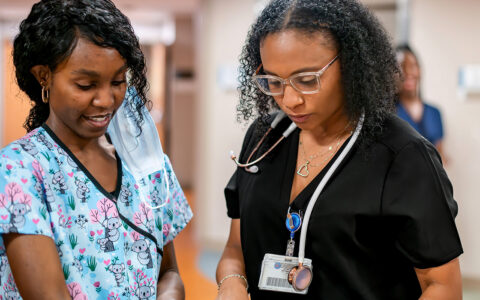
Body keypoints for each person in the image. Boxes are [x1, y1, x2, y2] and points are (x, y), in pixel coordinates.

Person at [215, 0, 463, 299]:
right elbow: (234, 248)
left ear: (349, 63)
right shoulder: (264, 137)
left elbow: (442, 286)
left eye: (306, 80)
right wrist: (231, 282)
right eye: (273, 81)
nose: (289, 100)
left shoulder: (403, 155)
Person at [0, 0, 192, 299]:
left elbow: (168, 272)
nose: (106, 100)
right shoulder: (21, 170)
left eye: (117, 81)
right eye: (86, 85)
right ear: (44, 76)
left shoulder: (148, 164)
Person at [396, 44, 446, 160]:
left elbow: (440, 155)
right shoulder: (388, 112)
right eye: (402, 67)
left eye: (412, 66)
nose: (408, 72)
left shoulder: (434, 112)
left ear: (419, 70)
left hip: (430, 177)